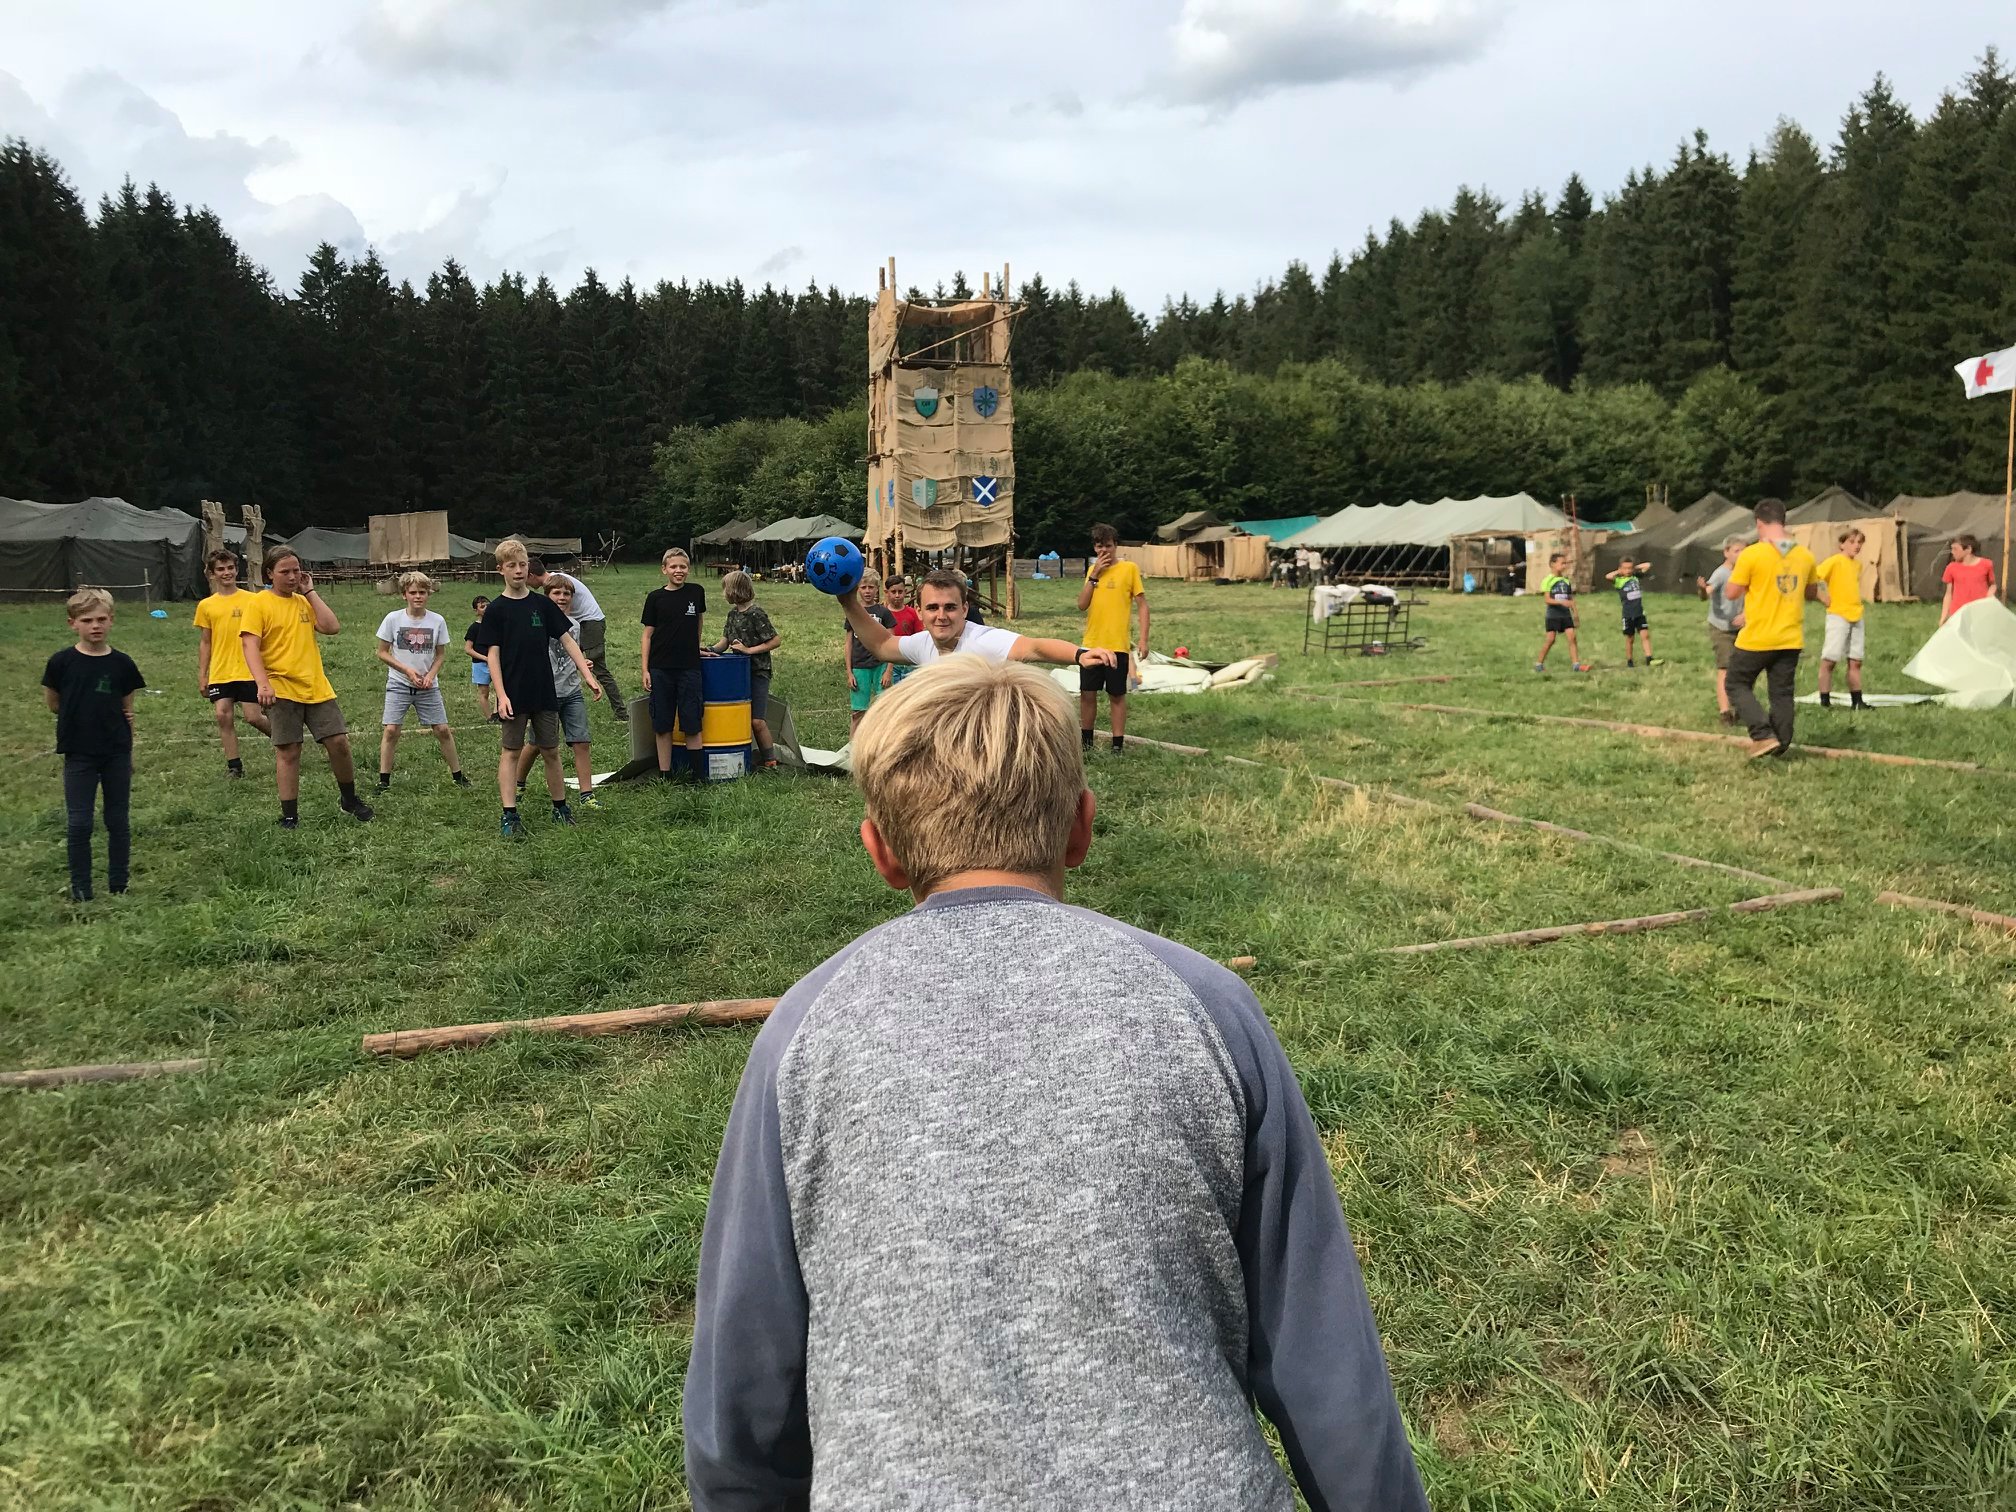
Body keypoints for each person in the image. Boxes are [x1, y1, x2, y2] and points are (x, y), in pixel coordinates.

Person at [684, 654, 1427, 1512]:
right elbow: (1323, 1356)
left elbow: (744, 1385)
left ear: (880, 851)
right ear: (1081, 826)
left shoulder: (802, 1034)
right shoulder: (1210, 1007)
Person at [240, 546, 373, 828]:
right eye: (284, 572)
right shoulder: (259, 603)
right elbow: (249, 645)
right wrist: (263, 684)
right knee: (289, 750)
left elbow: (331, 627)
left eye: (296, 570)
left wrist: (310, 592)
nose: (292, 577)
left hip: (315, 686)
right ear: (269, 574)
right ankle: (290, 815)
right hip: (280, 687)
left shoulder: (303, 602)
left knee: (339, 743)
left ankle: (349, 800)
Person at [477, 540, 602, 836]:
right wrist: (501, 695)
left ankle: (560, 807)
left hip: (545, 691)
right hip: (514, 693)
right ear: (500, 570)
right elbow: (492, 655)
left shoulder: (542, 604)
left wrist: (587, 674)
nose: (518, 571)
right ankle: (509, 815)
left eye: (522, 565)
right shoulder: (496, 610)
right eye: (512, 566)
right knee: (511, 751)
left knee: (550, 751)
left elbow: (567, 640)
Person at [42, 588, 145, 901]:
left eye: (101, 619)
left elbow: (127, 710)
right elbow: (54, 703)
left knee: (118, 819)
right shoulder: (61, 663)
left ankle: (119, 884)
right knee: (79, 822)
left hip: (115, 751)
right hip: (78, 753)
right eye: (87, 620)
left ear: (111, 620)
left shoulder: (122, 664)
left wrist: (129, 750)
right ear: (73, 623)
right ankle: (81, 889)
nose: (95, 626)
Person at [837, 567, 1117, 678]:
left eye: (950, 607)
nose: (941, 616)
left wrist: (1079, 655)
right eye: (932, 607)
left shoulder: (983, 641)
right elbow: (882, 644)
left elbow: (1035, 647)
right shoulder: (923, 643)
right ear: (919, 612)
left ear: (965, 609)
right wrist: (848, 602)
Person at [1722, 498, 1824, 759]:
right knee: (1781, 693)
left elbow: (1732, 592)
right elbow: (1811, 592)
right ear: (1783, 520)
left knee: (1735, 683)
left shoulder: (1752, 554)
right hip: (1790, 637)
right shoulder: (1804, 554)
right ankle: (1781, 743)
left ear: (1759, 523)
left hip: (1758, 637)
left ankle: (1762, 734)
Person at [374, 570, 468, 790]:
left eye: (422, 592)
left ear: (429, 594)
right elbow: (382, 652)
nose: (418, 597)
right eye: (413, 592)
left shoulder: (437, 620)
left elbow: (440, 654)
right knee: (391, 730)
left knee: (442, 729)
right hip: (399, 683)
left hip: (428, 686)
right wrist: (407, 670)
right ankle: (384, 780)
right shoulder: (393, 619)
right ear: (404, 594)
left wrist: (430, 675)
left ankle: (458, 776)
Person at [513, 577, 602, 809]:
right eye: (556, 593)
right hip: (546, 694)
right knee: (536, 745)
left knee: (581, 741)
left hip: (572, 691)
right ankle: (518, 783)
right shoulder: (537, 623)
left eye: (566, 594)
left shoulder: (575, 625)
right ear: (547, 596)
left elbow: (573, 652)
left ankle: (587, 794)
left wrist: (583, 665)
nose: (562, 598)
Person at [192, 547, 272, 776]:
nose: (226, 572)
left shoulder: (253, 600)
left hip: (248, 668)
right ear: (211, 574)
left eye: (230, 568)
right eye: (220, 569)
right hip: (221, 670)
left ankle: (287, 741)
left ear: (237, 570)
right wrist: (203, 674)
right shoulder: (206, 605)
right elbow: (206, 642)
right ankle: (234, 766)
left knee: (253, 717)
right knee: (222, 715)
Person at [1077, 522, 1149, 753]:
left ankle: (1117, 745)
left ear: (1116, 545)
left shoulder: (1129, 569)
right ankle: (1086, 742)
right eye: (1100, 546)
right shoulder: (1092, 570)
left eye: (1108, 545)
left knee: (1117, 695)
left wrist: (1143, 639)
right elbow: (1082, 605)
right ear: (1094, 548)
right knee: (1087, 694)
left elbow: (1142, 605)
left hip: (1117, 645)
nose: (1104, 551)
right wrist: (1094, 575)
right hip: (1091, 644)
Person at [527, 556, 625, 720]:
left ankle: (621, 712)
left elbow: (565, 613)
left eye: (527, 578)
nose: (527, 584)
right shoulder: (555, 580)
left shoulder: (558, 583)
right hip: (578, 623)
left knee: (598, 668)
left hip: (590, 623)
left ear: (531, 575)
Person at [641, 546, 707, 781]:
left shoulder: (696, 592)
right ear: (664, 570)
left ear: (688, 569)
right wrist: (645, 669)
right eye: (673, 567)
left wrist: (695, 648)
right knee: (662, 722)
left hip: (690, 668)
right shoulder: (655, 598)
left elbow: (698, 622)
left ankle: (698, 775)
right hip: (660, 669)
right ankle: (665, 774)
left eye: (683, 566)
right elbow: (647, 636)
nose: (678, 570)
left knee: (692, 720)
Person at [713, 570, 781, 769]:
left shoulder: (756, 613)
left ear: (734, 590)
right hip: (737, 673)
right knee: (739, 716)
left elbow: (775, 641)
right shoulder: (732, 614)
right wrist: (708, 650)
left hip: (758, 671)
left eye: (725, 589)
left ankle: (770, 760)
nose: (723, 593)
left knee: (757, 720)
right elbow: (724, 642)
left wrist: (749, 650)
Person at [1814, 528, 1869, 711]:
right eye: (1852, 542)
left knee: (1856, 660)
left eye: (1859, 542)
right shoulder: (1835, 561)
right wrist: (1822, 596)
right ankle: (1824, 701)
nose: (1856, 546)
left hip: (1856, 614)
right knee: (1830, 659)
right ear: (1842, 544)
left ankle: (1857, 700)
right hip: (1838, 614)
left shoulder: (1857, 565)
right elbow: (1813, 576)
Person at [1696, 536, 1748, 724]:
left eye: (1744, 551)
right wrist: (1702, 589)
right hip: (1721, 629)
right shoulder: (1721, 574)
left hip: (1742, 628)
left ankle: (1742, 707)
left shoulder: (1747, 572)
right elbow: (1706, 594)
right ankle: (1725, 712)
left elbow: (1753, 596)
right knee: (1725, 668)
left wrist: (1746, 615)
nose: (1741, 555)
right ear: (1726, 552)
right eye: (1737, 551)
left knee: (1743, 669)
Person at [845, 570, 895, 735]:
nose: (867, 591)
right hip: (859, 666)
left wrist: (888, 671)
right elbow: (848, 643)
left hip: (880, 665)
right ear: (858, 589)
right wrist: (849, 672)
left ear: (877, 589)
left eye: (871, 587)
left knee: (884, 709)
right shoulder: (853, 613)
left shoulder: (884, 612)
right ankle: (853, 746)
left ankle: (883, 742)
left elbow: (892, 641)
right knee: (858, 712)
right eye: (864, 587)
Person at [1534, 553, 1589, 672]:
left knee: (1572, 637)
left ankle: (1576, 665)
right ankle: (1539, 664)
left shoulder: (1566, 581)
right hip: (1553, 615)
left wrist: (1575, 614)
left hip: (1565, 614)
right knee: (1550, 640)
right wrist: (1561, 602)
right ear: (1552, 564)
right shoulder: (1548, 580)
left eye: (1566, 563)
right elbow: (1547, 600)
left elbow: (1570, 599)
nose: (1564, 566)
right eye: (1562, 563)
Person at [1605, 556, 1660, 667]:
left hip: (1639, 612)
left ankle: (1649, 658)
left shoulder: (1635, 577)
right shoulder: (1619, 581)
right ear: (1620, 568)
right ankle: (1630, 660)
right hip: (1628, 614)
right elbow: (1608, 576)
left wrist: (1635, 568)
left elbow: (1648, 565)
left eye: (1630, 568)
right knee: (1630, 638)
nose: (1628, 571)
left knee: (1645, 635)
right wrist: (1619, 572)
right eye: (1625, 568)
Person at [1939, 534, 1996, 624]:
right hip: (1958, 613)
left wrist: (1990, 596)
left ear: (1968, 549)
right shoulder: (1951, 567)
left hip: (1980, 612)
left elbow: (1992, 584)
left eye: (1955, 549)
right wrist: (1944, 616)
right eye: (1952, 549)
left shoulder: (1986, 564)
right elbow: (1948, 594)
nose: (1952, 552)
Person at [464, 596, 498, 722]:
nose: (486, 608)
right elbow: (468, 649)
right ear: (476, 610)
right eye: (482, 607)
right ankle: (489, 717)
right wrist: (486, 658)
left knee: (500, 688)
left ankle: (497, 713)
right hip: (480, 664)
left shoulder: (496, 626)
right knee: (484, 692)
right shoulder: (474, 628)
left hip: (496, 663)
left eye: (488, 605)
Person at [883, 576, 920, 686]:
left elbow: (918, 637)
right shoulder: (882, 613)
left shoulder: (912, 613)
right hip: (888, 660)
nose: (897, 595)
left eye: (900, 592)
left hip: (908, 660)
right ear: (886, 592)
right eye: (893, 592)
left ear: (905, 592)